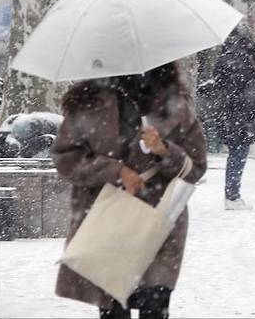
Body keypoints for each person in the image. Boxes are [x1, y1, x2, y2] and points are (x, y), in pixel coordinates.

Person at [52, 62, 207, 319]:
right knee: (113, 312)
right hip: (106, 224)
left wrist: (164, 152)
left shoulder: (172, 104)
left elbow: (197, 167)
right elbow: (65, 159)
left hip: (157, 227)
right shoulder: (87, 103)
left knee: (154, 308)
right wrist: (115, 171)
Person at [209, 29, 255, 210]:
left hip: (227, 115)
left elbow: (219, 87)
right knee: (239, 153)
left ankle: (232, 194)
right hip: (241, 117)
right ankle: (232, 195)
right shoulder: (245, 62)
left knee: (236, 153)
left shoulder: (222, 61)